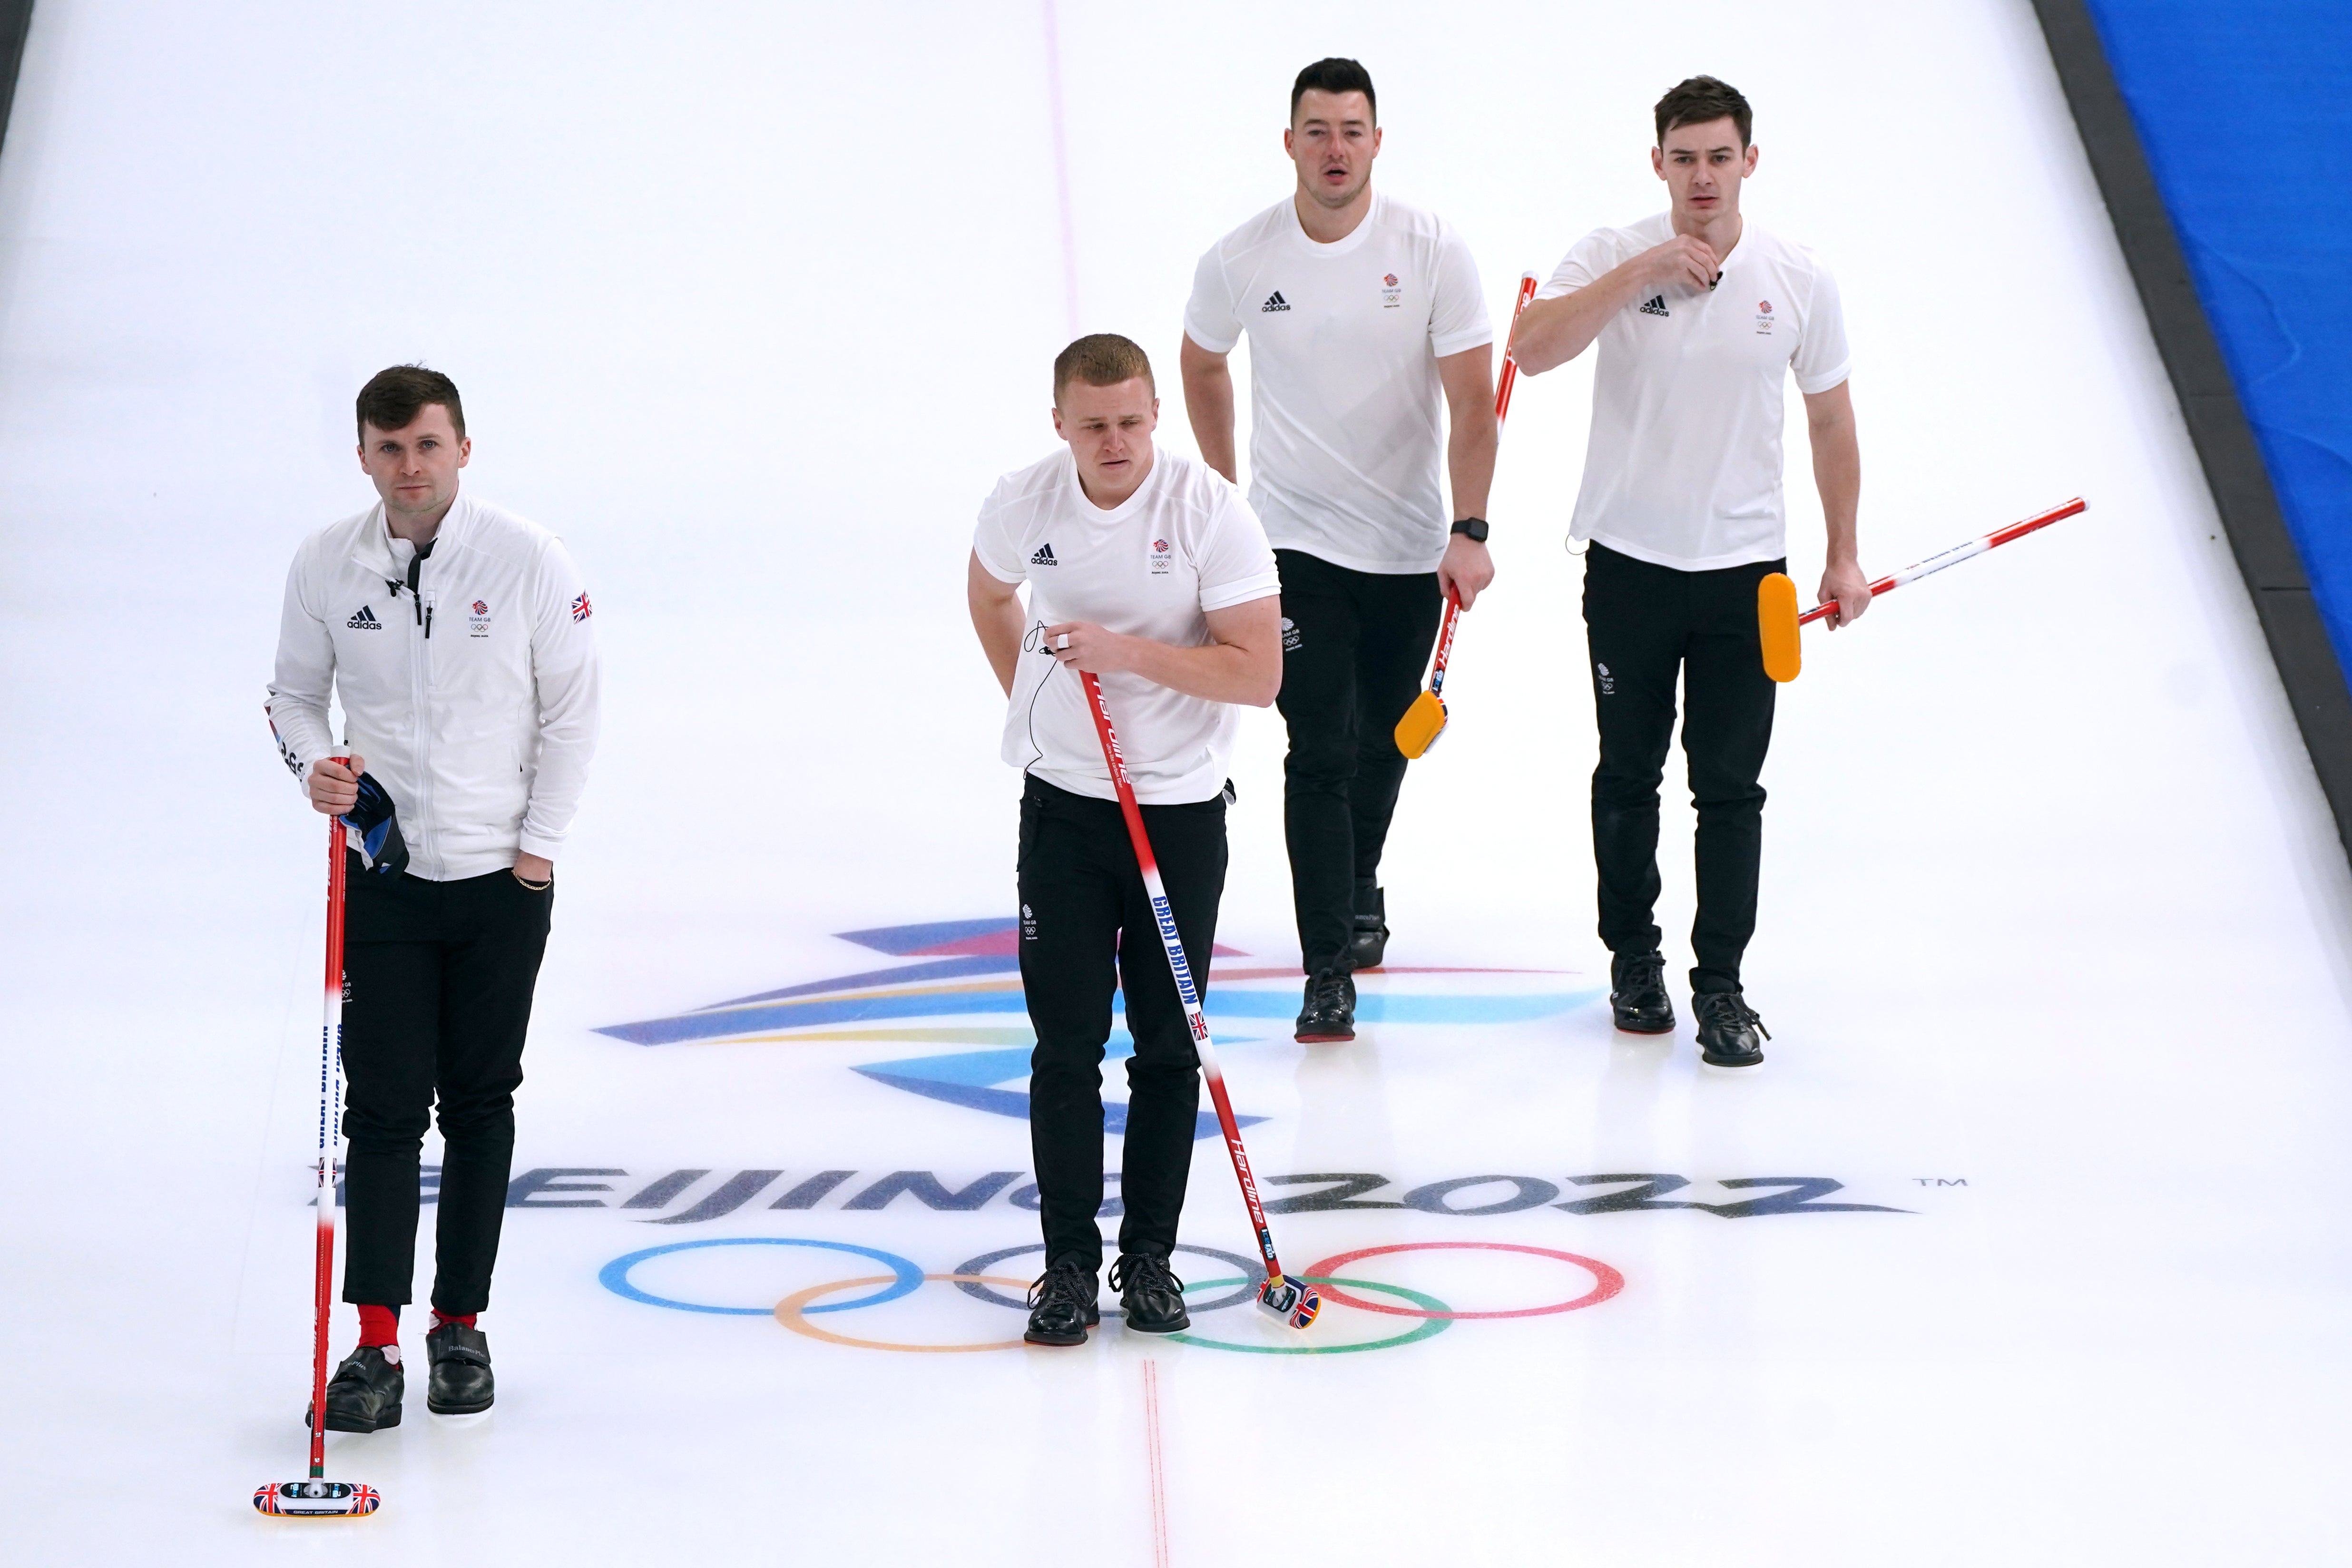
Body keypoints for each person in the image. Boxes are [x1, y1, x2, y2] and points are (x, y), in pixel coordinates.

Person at [265, 364, 600, 1427]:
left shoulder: (530, 559)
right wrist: (314, 767)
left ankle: (460, 1326)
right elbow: (289, 697)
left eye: (428, 445)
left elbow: (576, 710)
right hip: (386, 875)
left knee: (481, 1099)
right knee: (383, 1107)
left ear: (463, 448)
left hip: (503, 876)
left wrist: (538, 847)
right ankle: (373, 1345)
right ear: (363, 454)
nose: (410, 468)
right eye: (389, 448)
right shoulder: (326, 563)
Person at [1510, 76, 1867, 1070]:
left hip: (1746, 579)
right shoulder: (1613, 253)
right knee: (1627, 775)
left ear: (1751, 161)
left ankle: (1722, 985)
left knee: (1730, 788)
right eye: (1685, 157)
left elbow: (1830, 417)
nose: (1703, 175)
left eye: (1720, 156)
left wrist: (1842, 553)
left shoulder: (1798, 277)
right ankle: (1635, 959)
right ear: (1657, 161)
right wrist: (1643, 272)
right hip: (1629, 566)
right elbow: (1530, 351)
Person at [967, 334, 1281, 1345]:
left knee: (1166, 1045)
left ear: (1158, 418)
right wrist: (1038, 687)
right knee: (1065, 1047)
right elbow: (987, 592)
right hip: (1064, 808)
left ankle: (1149, 1259)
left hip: (1179, 812)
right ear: (1060, 422)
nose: (1115, 442)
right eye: (1094, 424)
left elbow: (1256, 671)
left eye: (1132, 422)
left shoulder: (1209, 515)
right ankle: (1064, 1265)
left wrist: (1124, 655)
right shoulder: (1024, 501)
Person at [1179, 56, 1498, 1043]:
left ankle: (1359, 881)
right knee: (1317, 750)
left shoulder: (1433, 247)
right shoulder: (1243, 257)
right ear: (1290, 142)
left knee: (1387, 739)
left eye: (1351, 131)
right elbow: (1200, 361)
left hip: (1407, 545)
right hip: (1294, 544)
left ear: (1376, 141)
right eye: (1316, 131)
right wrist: (1232, 499)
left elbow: (1472, 403)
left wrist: (1470, 527)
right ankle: (1329, 972)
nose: (1334, 149)